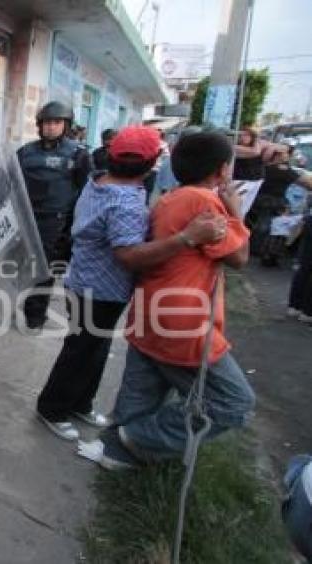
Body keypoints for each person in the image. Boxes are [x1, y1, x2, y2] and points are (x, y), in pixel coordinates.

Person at [35, 126, 226, 441]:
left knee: (96, 348)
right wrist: (187, 238)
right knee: (80, 350)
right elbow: (129, 256)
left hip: (88, 282)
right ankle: (52, 408)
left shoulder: (98, 181)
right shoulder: (123, 200)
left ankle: (79, 402)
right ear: (151, 163)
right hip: (98, 290)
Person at [97, 131, 256, 469]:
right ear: (223, 170)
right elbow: (239, 258)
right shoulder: (204, 203)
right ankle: (141, 438)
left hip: (152, 313)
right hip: (184, 322)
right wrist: (236, 212)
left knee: (140, 396)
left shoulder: (168, 198)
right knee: (233, 401)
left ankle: (119, 450)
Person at [16, 101, 92, 328]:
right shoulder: (25, 152)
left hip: (56, 223)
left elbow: (86, 193)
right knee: (21, 267)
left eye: (56, 122)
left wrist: (74, 227)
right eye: (46, 122)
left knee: (44, 270)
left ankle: (35, 315)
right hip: (25, 218)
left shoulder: (78, 155)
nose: (50, 127)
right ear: (39, 125)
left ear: (66, 125)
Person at [248, 144, 312, 255]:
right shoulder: (283, 170)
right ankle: (265, 248)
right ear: (279, 156)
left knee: (262, 222)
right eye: (286, 153)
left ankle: (256, 246)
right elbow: (307, 183)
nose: (288, 156)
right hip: (272, 201)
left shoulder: (263, 166)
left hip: (256, 199)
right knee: (271, 222)